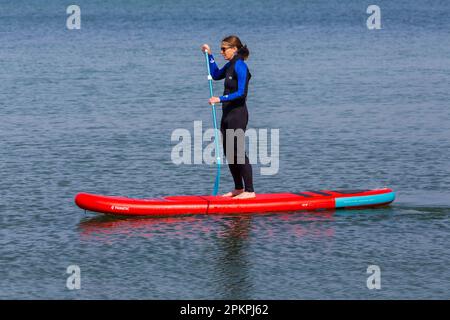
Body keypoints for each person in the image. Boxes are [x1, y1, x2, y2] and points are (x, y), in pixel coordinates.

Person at [201, 35, 255, 199]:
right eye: (221, 49)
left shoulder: (240, 66)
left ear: (234, 49)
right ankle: (238, 188)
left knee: (238, 152)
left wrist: (220, 99)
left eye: (224, 49)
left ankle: (250, 191)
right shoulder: (230, 65)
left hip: (238, 115)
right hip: (227, 115)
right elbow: (216, 74)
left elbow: (241, 93)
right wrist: (209, 55)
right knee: (229, 152)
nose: (221, 52)